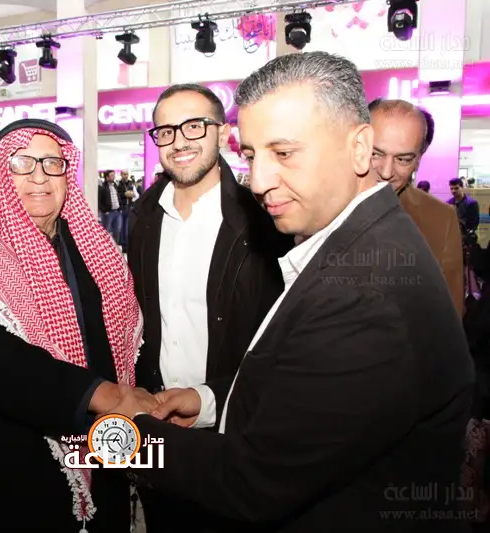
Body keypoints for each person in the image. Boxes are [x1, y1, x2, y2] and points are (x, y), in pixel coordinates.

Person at [110, 51, 475, 532]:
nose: (260, 182)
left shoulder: (361, 295)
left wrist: (110, 436)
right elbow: (294, 389)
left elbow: (251, 480)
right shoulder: (362, 243)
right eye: (251, 156)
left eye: (284, 153)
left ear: (360, 148)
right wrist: (208, 400)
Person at [0, 118, 148, 533]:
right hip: (8, 462)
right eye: (22, 163)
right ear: (1, 173)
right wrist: (101, 395)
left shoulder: (94, 246)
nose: (39, 177)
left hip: (102, 441)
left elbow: (121, 340)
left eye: (52, 163)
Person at [127, 83, 290, 533]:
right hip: (156, 430)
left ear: (223, 133)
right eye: (166, 130)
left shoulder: (265, 221)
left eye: (194, 126)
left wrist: (210, 400)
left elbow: (279, 347)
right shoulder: (142, 218)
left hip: (234, 437)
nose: (179, 141)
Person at [368, 98, 464, 313]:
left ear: (419, 159)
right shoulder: (318, 206)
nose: (386, 172)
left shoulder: (441, 219)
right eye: (375, 154)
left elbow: (450, 310)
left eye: (403, 159)